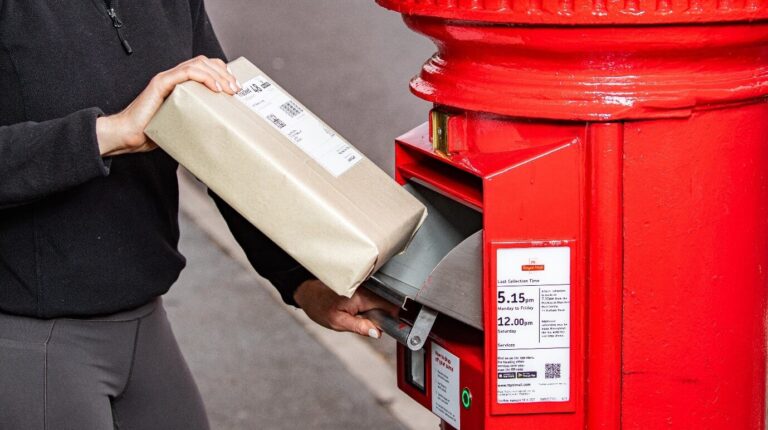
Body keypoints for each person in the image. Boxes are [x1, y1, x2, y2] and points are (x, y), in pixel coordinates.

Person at [0, 1, 397, 429]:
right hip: (34, 336)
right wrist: (108, 134)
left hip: (145, 320)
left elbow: (225, 145)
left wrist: (301, 281)